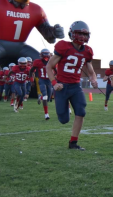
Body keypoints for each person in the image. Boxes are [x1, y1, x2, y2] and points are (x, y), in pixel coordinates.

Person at [46, 21, 97, 150]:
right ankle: (64, 109)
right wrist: (54, 83)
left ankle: (73, 143)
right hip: (62, 86)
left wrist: (93, 79)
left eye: (84, 34)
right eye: (79, 33)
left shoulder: (88, 51)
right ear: (72, 34)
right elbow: (49, 66)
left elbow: (90, 70)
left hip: (75, 86)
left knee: (81, 112)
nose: (82, 36)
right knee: (63, 119)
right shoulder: (64, 46)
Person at [29, 49, 54, 120]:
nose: (46, 56)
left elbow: (56, 71)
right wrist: (32, 80)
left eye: (47, 54)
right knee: (45, 96)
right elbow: (31, 71)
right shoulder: (37, 62)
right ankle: (46, 114)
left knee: (48, 98)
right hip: (42, 80)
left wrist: (56, 77)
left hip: (49, 81)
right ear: (41, 55)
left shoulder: (51, 62)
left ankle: (40, 97)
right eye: (44, 54)